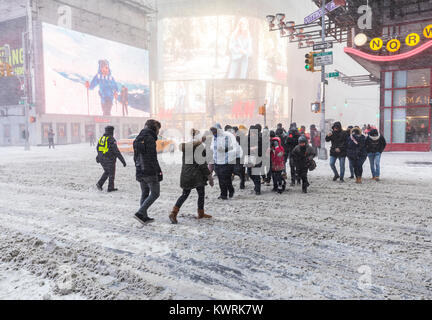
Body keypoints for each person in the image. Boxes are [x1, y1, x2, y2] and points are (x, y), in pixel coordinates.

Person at [169, 129, 213, 224]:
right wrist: (209, 176)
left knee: (185, 194)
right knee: (201, 194)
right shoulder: (199, 148)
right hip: (197, 175)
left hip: (186, 174)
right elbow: (202, 164)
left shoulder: (187, 146)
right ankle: (200, 213)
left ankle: (174, 212)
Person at [133, 120, 163, 225]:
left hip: (140, 169)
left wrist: (138, 168)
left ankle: (143, 217)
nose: (159, 131)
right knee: (155, 193)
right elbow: (152, 158)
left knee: (145, 193)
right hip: (149, 170)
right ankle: (140, 213)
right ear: (154, 128)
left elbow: (135, 157)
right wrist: (158, 171)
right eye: (158, 129)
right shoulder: (150, 139)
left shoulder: (138, 138)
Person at [96, 126, 126, 192]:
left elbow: (98, 148)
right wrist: (123, 161)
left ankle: (99, 184)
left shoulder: (102, 138)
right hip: (109, 159)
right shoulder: (111, 139)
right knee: (111, 174)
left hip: (102, 159)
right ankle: (110, 188)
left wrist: (98, 156)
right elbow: (116, 151)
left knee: (107, 172)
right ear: (111, 131)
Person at [210, 123, 236, 200]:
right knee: (220, 178)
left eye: (215, 131)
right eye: (212, 131)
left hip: (226, 161)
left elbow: (232, 146)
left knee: (226, 178)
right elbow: (212, 146)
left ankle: (230, 190)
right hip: (217, 161)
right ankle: (223, 194)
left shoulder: (226, 136)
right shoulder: (214, 137)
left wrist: (223, 149)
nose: (213, 133)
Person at [246, 125, 263, 195]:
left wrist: (257, 148)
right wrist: (250, 149)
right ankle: (256, 185)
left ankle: (258, 189)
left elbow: (263, 149)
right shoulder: (247, 139)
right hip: (249, 158)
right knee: (250, 173)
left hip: (258, 158)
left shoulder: (259, 139)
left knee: (256, 174)